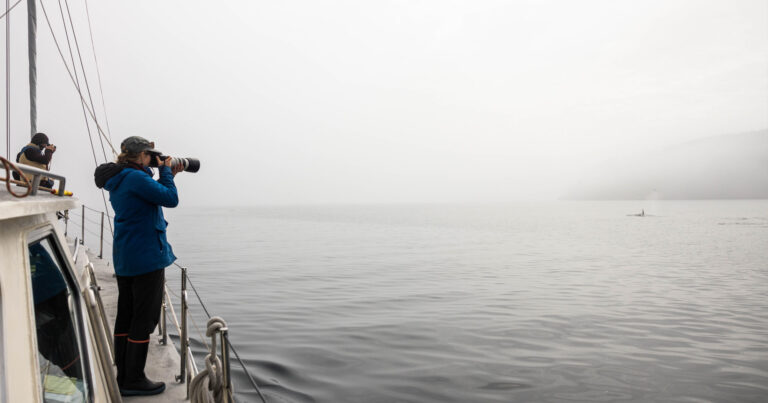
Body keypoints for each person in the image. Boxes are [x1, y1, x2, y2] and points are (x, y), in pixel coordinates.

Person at [95, 136, 181, 396]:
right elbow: (170, 199)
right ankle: (133, 379)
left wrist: (164, 173)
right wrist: (166, 171)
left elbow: (150, 196)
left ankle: (124, 373)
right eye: (150, 154)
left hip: (127, 256)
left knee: (127, 316)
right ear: (141, 155)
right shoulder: (135, 178)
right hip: (146, 258)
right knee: (144, 318)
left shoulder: (120, 178)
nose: (153, 158)